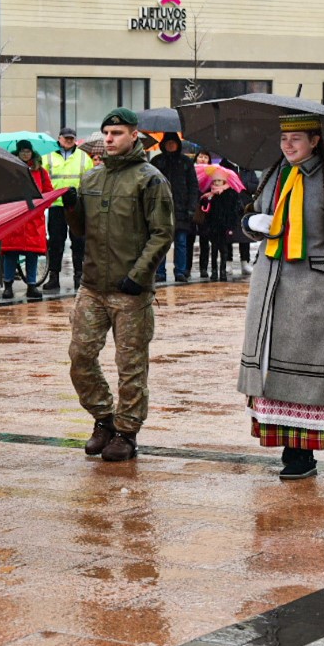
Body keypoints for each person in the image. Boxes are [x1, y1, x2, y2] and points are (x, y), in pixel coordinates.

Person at [237, 114, 324, 479]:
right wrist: (251, 223)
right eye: (284, 138)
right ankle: (285, 445)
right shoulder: (272, 174)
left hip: (314, 289)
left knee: (308, 373)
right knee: (271, 369)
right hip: (270, 285)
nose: (288, 145)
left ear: (314, 141)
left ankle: (302, 454)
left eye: (296, 138)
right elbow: (254, 217)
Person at [64, 109, 174, 463]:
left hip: (130, 292)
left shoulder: (150, 179)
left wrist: (138, 277)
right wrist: (71, 208)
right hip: (93, 286)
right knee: (80, 357)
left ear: (134, 135)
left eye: (117, 133)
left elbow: (162, 233)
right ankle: (104, 418)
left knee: (131, 365)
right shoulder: (92, 177)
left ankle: (126, 432)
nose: (109, 139)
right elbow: (81, 230)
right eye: (106, 133)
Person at [2, 141, 53, 300]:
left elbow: (48, 192)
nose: (26, 154)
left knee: (32, 253)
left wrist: (41, 206)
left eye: (28, 151)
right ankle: (8, 286)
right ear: (18, 152)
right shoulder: (9, 169)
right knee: (10, 253)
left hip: (33, 219)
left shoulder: (41, 172)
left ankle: (32, 285)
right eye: (23, 151)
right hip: (15, 218)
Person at [42, 127, 91, 291]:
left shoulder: (83, 157)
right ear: (59, 138)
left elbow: (89, 180)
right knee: (56, 242)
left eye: (71, 138)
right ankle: (54, 277)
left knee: (78, 242)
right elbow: (42, 179)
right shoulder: (47, 157)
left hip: (76, 206)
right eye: (66, 138)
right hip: (56, 205)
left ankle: (79, 276)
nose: (69, 140)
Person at [151, 134, 199, 283]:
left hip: (182, 209)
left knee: (181, 242)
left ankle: (180, 271)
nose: (171, 145)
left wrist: (191, 208)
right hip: (161, 208)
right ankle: (160, 272)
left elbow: (193, 186)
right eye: (168, 143)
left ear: (178, 144)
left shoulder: (186, 162)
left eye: (173, 142)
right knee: (161, 242)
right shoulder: (157, 161)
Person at [197, 177, 242, 281]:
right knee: (214, 249)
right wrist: (207, 200)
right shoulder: (210, 194)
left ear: (224, 181)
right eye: (214, 181)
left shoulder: (231, 193)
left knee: (224, 249)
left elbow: (236, 210)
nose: (216, 183)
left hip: (225, 226)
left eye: (219, 180)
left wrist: (231, 226)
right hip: (213, 226)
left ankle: (223, 271)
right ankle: (214, 271)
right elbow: (204, 209)